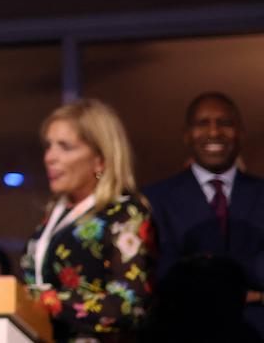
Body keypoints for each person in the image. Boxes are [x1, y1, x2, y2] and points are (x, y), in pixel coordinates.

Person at [21, 99, 153, 342]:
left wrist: (47, 301)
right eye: (49, 146)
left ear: (100, 160)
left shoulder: (124, 214)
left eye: (65, 147)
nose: (50, 157)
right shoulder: (54, 215)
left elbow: (128, 306)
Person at [143, 92, 264, 338]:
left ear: (241, 133)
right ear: (186, 135)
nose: (214, 132)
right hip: (182, 331)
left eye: (225, 123)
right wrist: (245, 290)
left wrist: (199, 269)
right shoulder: (154, 199)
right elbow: (162, 271)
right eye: (202, 123)